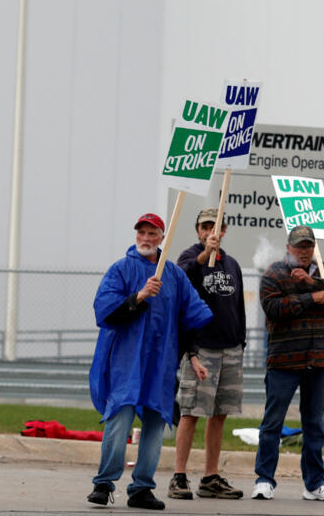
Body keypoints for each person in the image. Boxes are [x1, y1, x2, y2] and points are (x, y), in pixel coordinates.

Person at [87, 213, 212, 510]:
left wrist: (193, 356)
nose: (145, 238)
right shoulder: (120, 269)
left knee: (156, 425)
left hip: (161, 364)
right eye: (141, 233)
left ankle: (142, 487)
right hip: (125, 362)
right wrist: (139, 296)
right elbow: (105, 312)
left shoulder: (174, 275)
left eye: (152, 233)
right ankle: (104, 484)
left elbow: (188, 319)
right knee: (119, 420)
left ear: (161, 238)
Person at [252, 225, 324, 502]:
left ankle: (315, 484)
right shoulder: (273, 273)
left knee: (314, 426)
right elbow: (274, 309)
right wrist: (312, 298)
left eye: (308, 246)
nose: (304, 251)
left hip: (318, 360)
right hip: (284, 361)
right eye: (299, 246)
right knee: (272, 423)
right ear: (288, 248)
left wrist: (314, 284)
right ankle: (264, 480)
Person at [169, 208, 246, 500]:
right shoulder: (189, 258)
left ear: (224, 230)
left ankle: (211, 477)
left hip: (231, 349)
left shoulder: (232, 264)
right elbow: (182, 279)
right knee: (191, 412)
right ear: (198, 230)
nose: (210, 231)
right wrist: (204, 256)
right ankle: (178, 476)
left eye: (216, 226)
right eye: (205, 226)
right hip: (201, 350)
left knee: (220, 414)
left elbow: (237, 306)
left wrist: (241, 342)